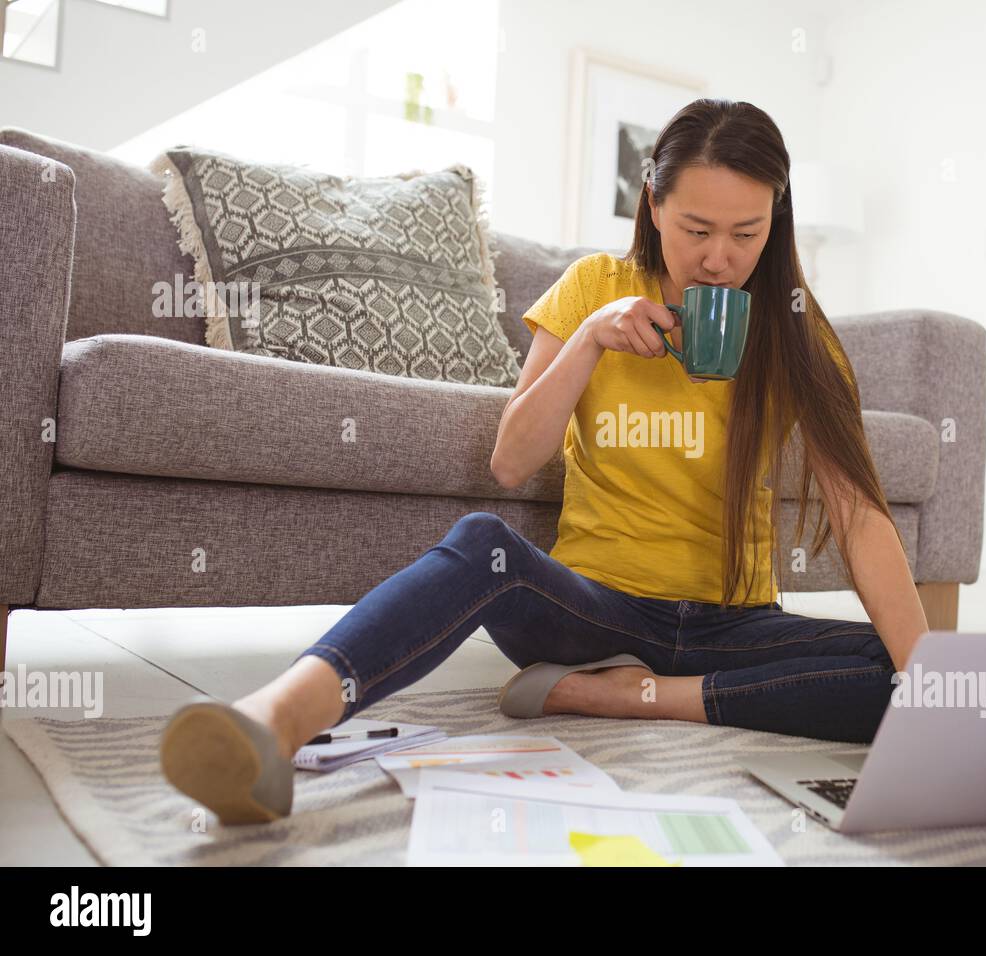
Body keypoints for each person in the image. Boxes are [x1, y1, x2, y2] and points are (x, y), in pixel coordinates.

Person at [158, 97, 930, 825]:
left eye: (746, 232)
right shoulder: (595, 288)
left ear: (775, 222)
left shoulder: (796, 330)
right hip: (595, 611)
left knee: (899, 668)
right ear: (653, 206)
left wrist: (928, 679)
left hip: (736, 625)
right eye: (696, 228)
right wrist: (591, 339)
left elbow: (859, 516)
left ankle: (626, 699)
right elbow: (511, 460)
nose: (720, 258)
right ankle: (277, 718)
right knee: (482, 544)